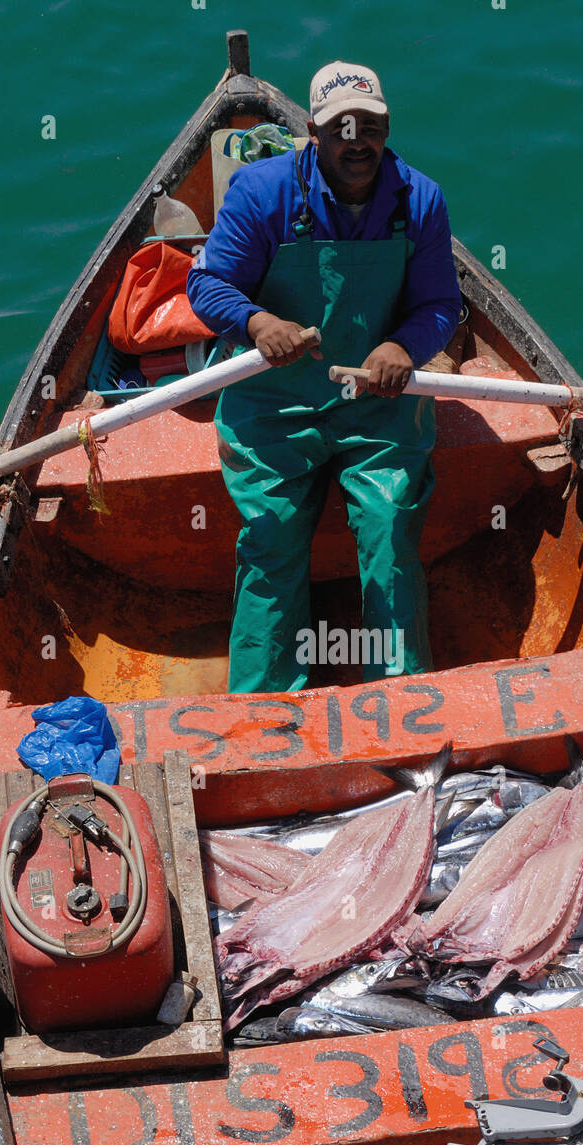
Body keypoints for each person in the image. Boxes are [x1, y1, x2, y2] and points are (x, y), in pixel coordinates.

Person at [187, 60, 462, 693]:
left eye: (371, 125)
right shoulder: (261, 192)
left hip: (377, 406)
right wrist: (257, 325)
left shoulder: (420, 199)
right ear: (313, 131)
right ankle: (263, 707)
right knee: (271, 536)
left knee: (390, 527)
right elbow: (205, 285)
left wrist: (402, 346)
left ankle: (401, 701)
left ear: (387, 127)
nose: (357, 140)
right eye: (341, 127)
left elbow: (441, 306)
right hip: (274, 404)